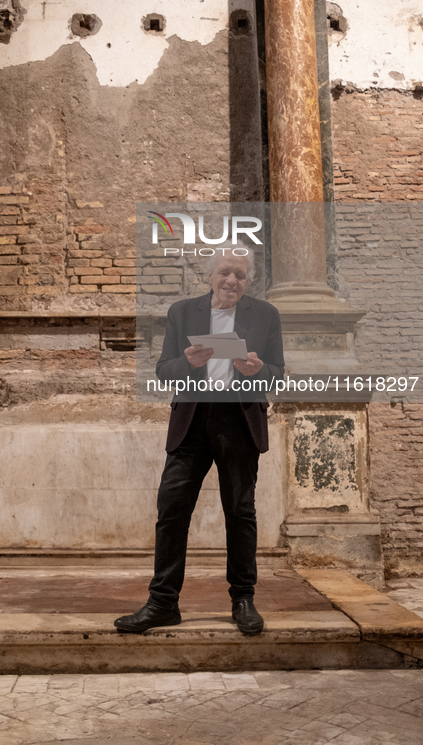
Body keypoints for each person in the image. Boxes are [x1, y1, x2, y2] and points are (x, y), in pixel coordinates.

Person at [114, 251, 284, 635]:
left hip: (239, 422)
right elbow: (163, 371)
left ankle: (243, 600)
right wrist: (187, 363)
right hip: (193, 420)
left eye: (240, 275)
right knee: (171, 510)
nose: (232, 281)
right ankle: (162, 602)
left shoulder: (265, 315)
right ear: (209, 275)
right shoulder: (183, 312)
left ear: (248, 281)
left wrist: (259, 371)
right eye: (225, 272)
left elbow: (278, 373)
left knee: (240, 512)